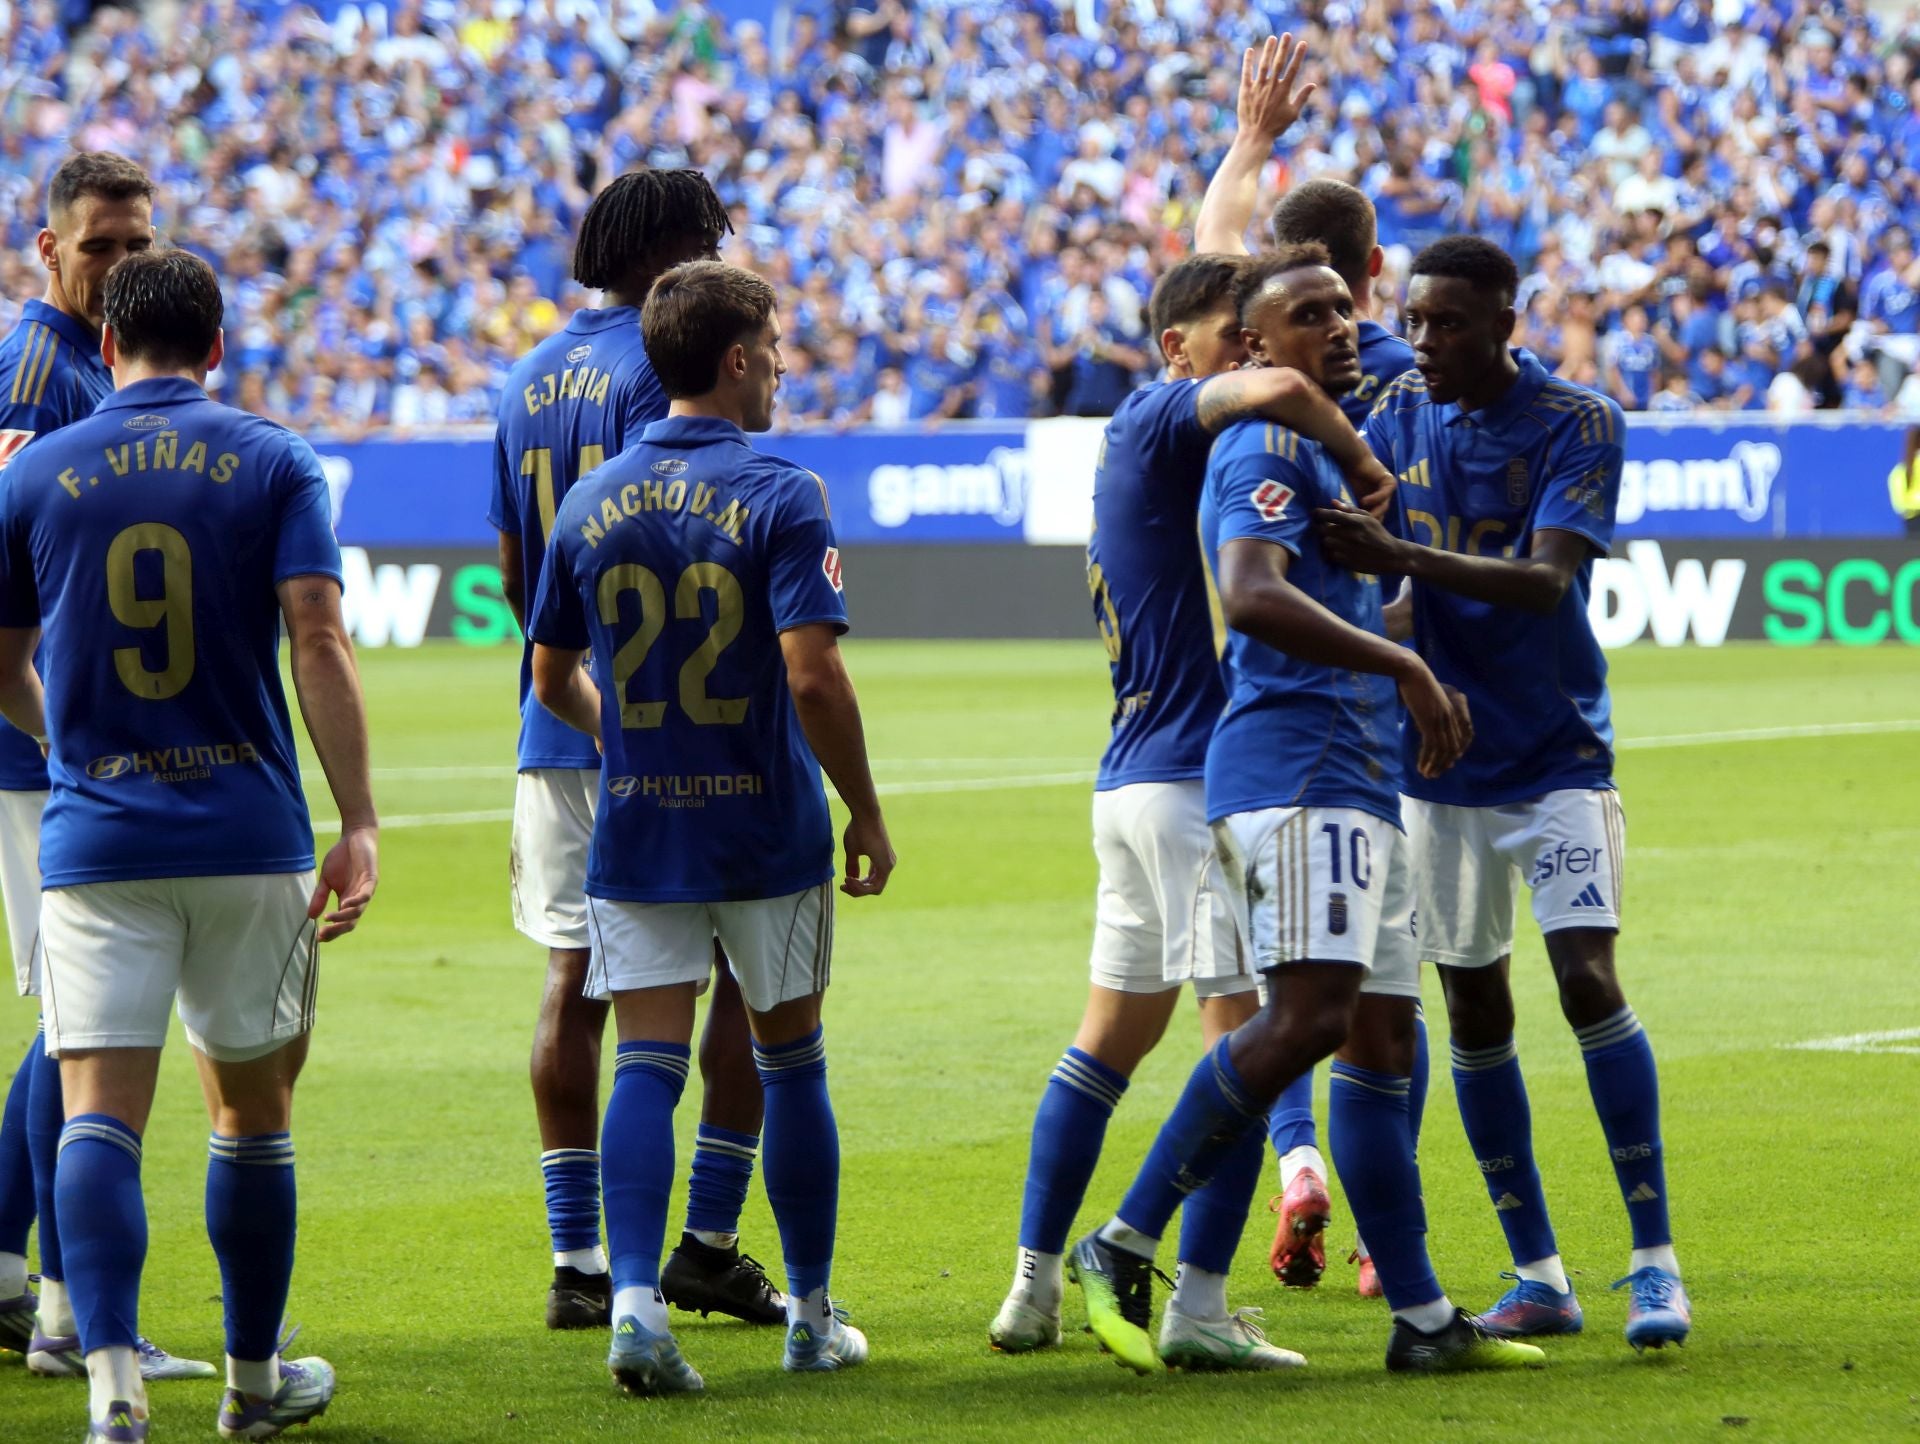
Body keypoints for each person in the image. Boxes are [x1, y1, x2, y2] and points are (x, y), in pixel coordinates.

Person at [1066, 245, 1536, 1376]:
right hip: (1296, 769)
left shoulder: (1323, 453)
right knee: (1308, 1022)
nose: (1338, 325)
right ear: (1255, 346)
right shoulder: (1266, 442)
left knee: (1379, 1037)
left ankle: (1421, 1318)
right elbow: (1250, 592)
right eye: (1306, 315)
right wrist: (1409, 668)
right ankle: (1123, 1239)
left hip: (1357, 770)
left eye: (1342, 307)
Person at [988, 252, 1399, 1369]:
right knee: (1251, 1051)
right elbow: (1266, 382)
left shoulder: (1151, 436)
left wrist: (1247, 148)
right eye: (1241, 336)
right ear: (1181, 351)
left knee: (1103, 1048)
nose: (1260, 354)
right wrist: (1360, 454)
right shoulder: (1174, 414)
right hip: (1189, 783)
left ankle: (1028, 1291)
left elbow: (1234, 298)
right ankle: (1200, 1306)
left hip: (1128, 775)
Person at [0, 247, 379, 1440]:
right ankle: (253, 1388)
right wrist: (357, 816)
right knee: (252, 1115)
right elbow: (318, 638)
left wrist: (76, 744)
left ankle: (111, 1388)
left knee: (100, 1112)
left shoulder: (34, 471)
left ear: (106, 345)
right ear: (218, 347)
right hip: (247, 831)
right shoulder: (273, 460)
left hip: (98, 839)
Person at [1316, 235, 1692, 1352]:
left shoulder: (1579, 422)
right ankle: (1539, 1273)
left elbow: (1541, 582)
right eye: (1417, 322)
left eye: (1452, 326)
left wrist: (1403, 560)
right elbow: (1370, 581)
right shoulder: (1397, 422)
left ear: (1505, 324)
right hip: (1437, 773)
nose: (1425, 343)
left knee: (1586, 979)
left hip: (1556, 756)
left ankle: (1656, 1264)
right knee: (1474, 1008)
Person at [527, 260, 895, 1394]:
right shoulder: (785, 488)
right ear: (737, 359)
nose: (784, 364)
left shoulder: (591, 500)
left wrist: (628, 736)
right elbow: (815, 677)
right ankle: (812, 1313)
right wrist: (865, 809)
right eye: (777, 345)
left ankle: (632, 1304)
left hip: (639, 829)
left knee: (645, 1059)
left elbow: (550, 677)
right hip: (764, 825)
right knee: (792, 1064)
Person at [490, 169, 781, 1333]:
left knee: (572, 978)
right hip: (663, 726)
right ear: (675, 249)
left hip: (549, 718)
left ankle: (578, 1259)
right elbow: (668, 539)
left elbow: (528, 579)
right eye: (712, 241)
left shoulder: (525, 377)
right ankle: (705, 1240)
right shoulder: (656, 368)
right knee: (726, 976)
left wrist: (564, 692)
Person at [1195, 36, 1427, 1294]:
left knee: (1274, 986)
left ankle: (1286, 1170)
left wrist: (1247, 141)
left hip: (1259, 723)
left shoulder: (1260, 378)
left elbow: (1223, 253)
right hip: (1383, 703)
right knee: (1383, 997)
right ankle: (1400, 1253)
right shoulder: (1408, 360)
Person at [0, 151, 210, 1383]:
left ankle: (21, 1279)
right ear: (47, 251)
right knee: (80, 1022)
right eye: (99, 250)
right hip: (44, 750)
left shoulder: (89, 364)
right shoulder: (41, 373)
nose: (122, 268)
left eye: (139, 246)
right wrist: (67, 741)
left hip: (55, 745)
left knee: (62, 1021)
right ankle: (70, 1320)